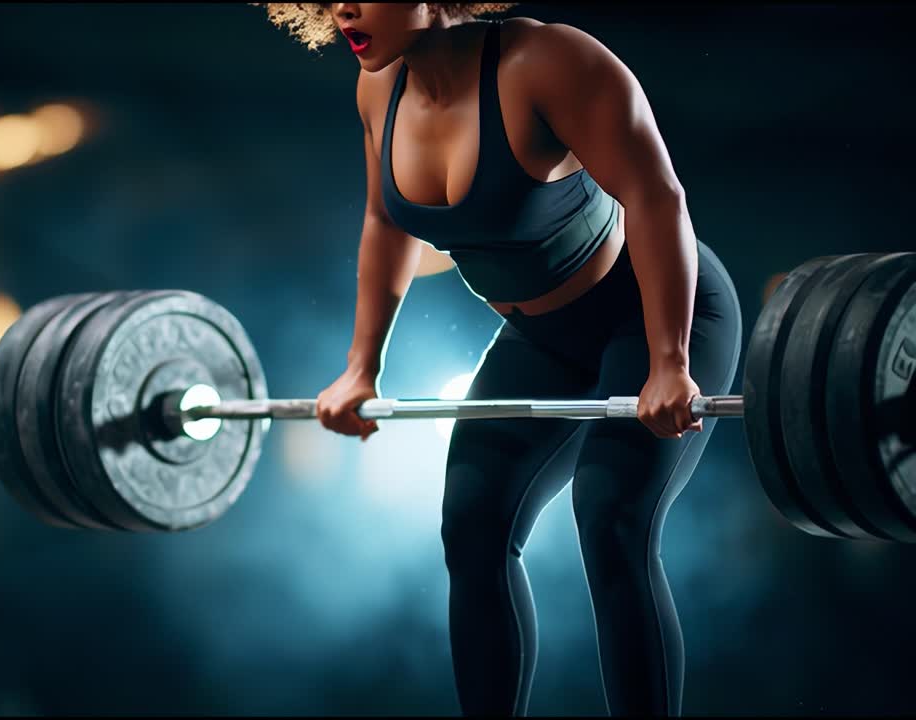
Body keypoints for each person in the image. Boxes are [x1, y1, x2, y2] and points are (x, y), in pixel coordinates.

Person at [259, 3, 744, 716]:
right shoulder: (377, 88)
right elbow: (385, 221)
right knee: (473, 522)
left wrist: (669, 360)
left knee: (610, 520)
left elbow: (654, 194)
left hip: (655, 315)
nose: (344, 9)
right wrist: (362, 367)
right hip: (542, 342)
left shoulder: (550, 63)